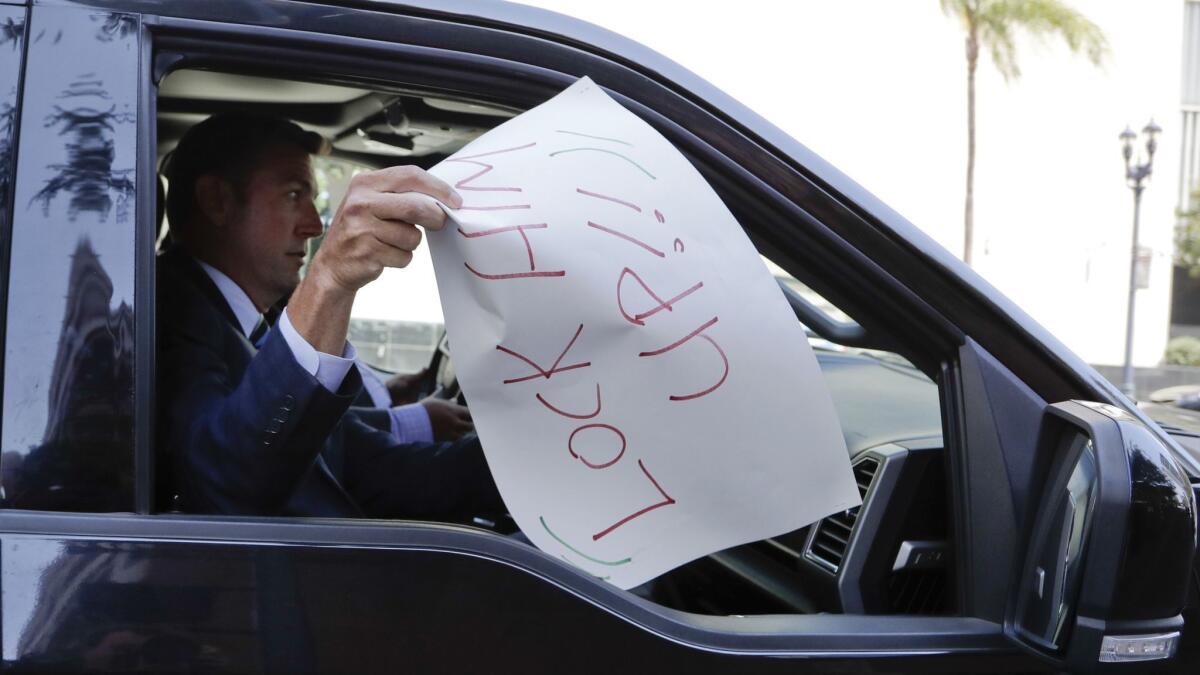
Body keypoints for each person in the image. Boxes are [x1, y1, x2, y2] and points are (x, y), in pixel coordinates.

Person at [155, 113, 499, 519]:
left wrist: (528, 463)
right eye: (293, 195)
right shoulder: (167, 316)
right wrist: (330, 277)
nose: (313, 225)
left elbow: (372, 467)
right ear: (218, 202)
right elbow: (226, 483)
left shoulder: (233, 320)